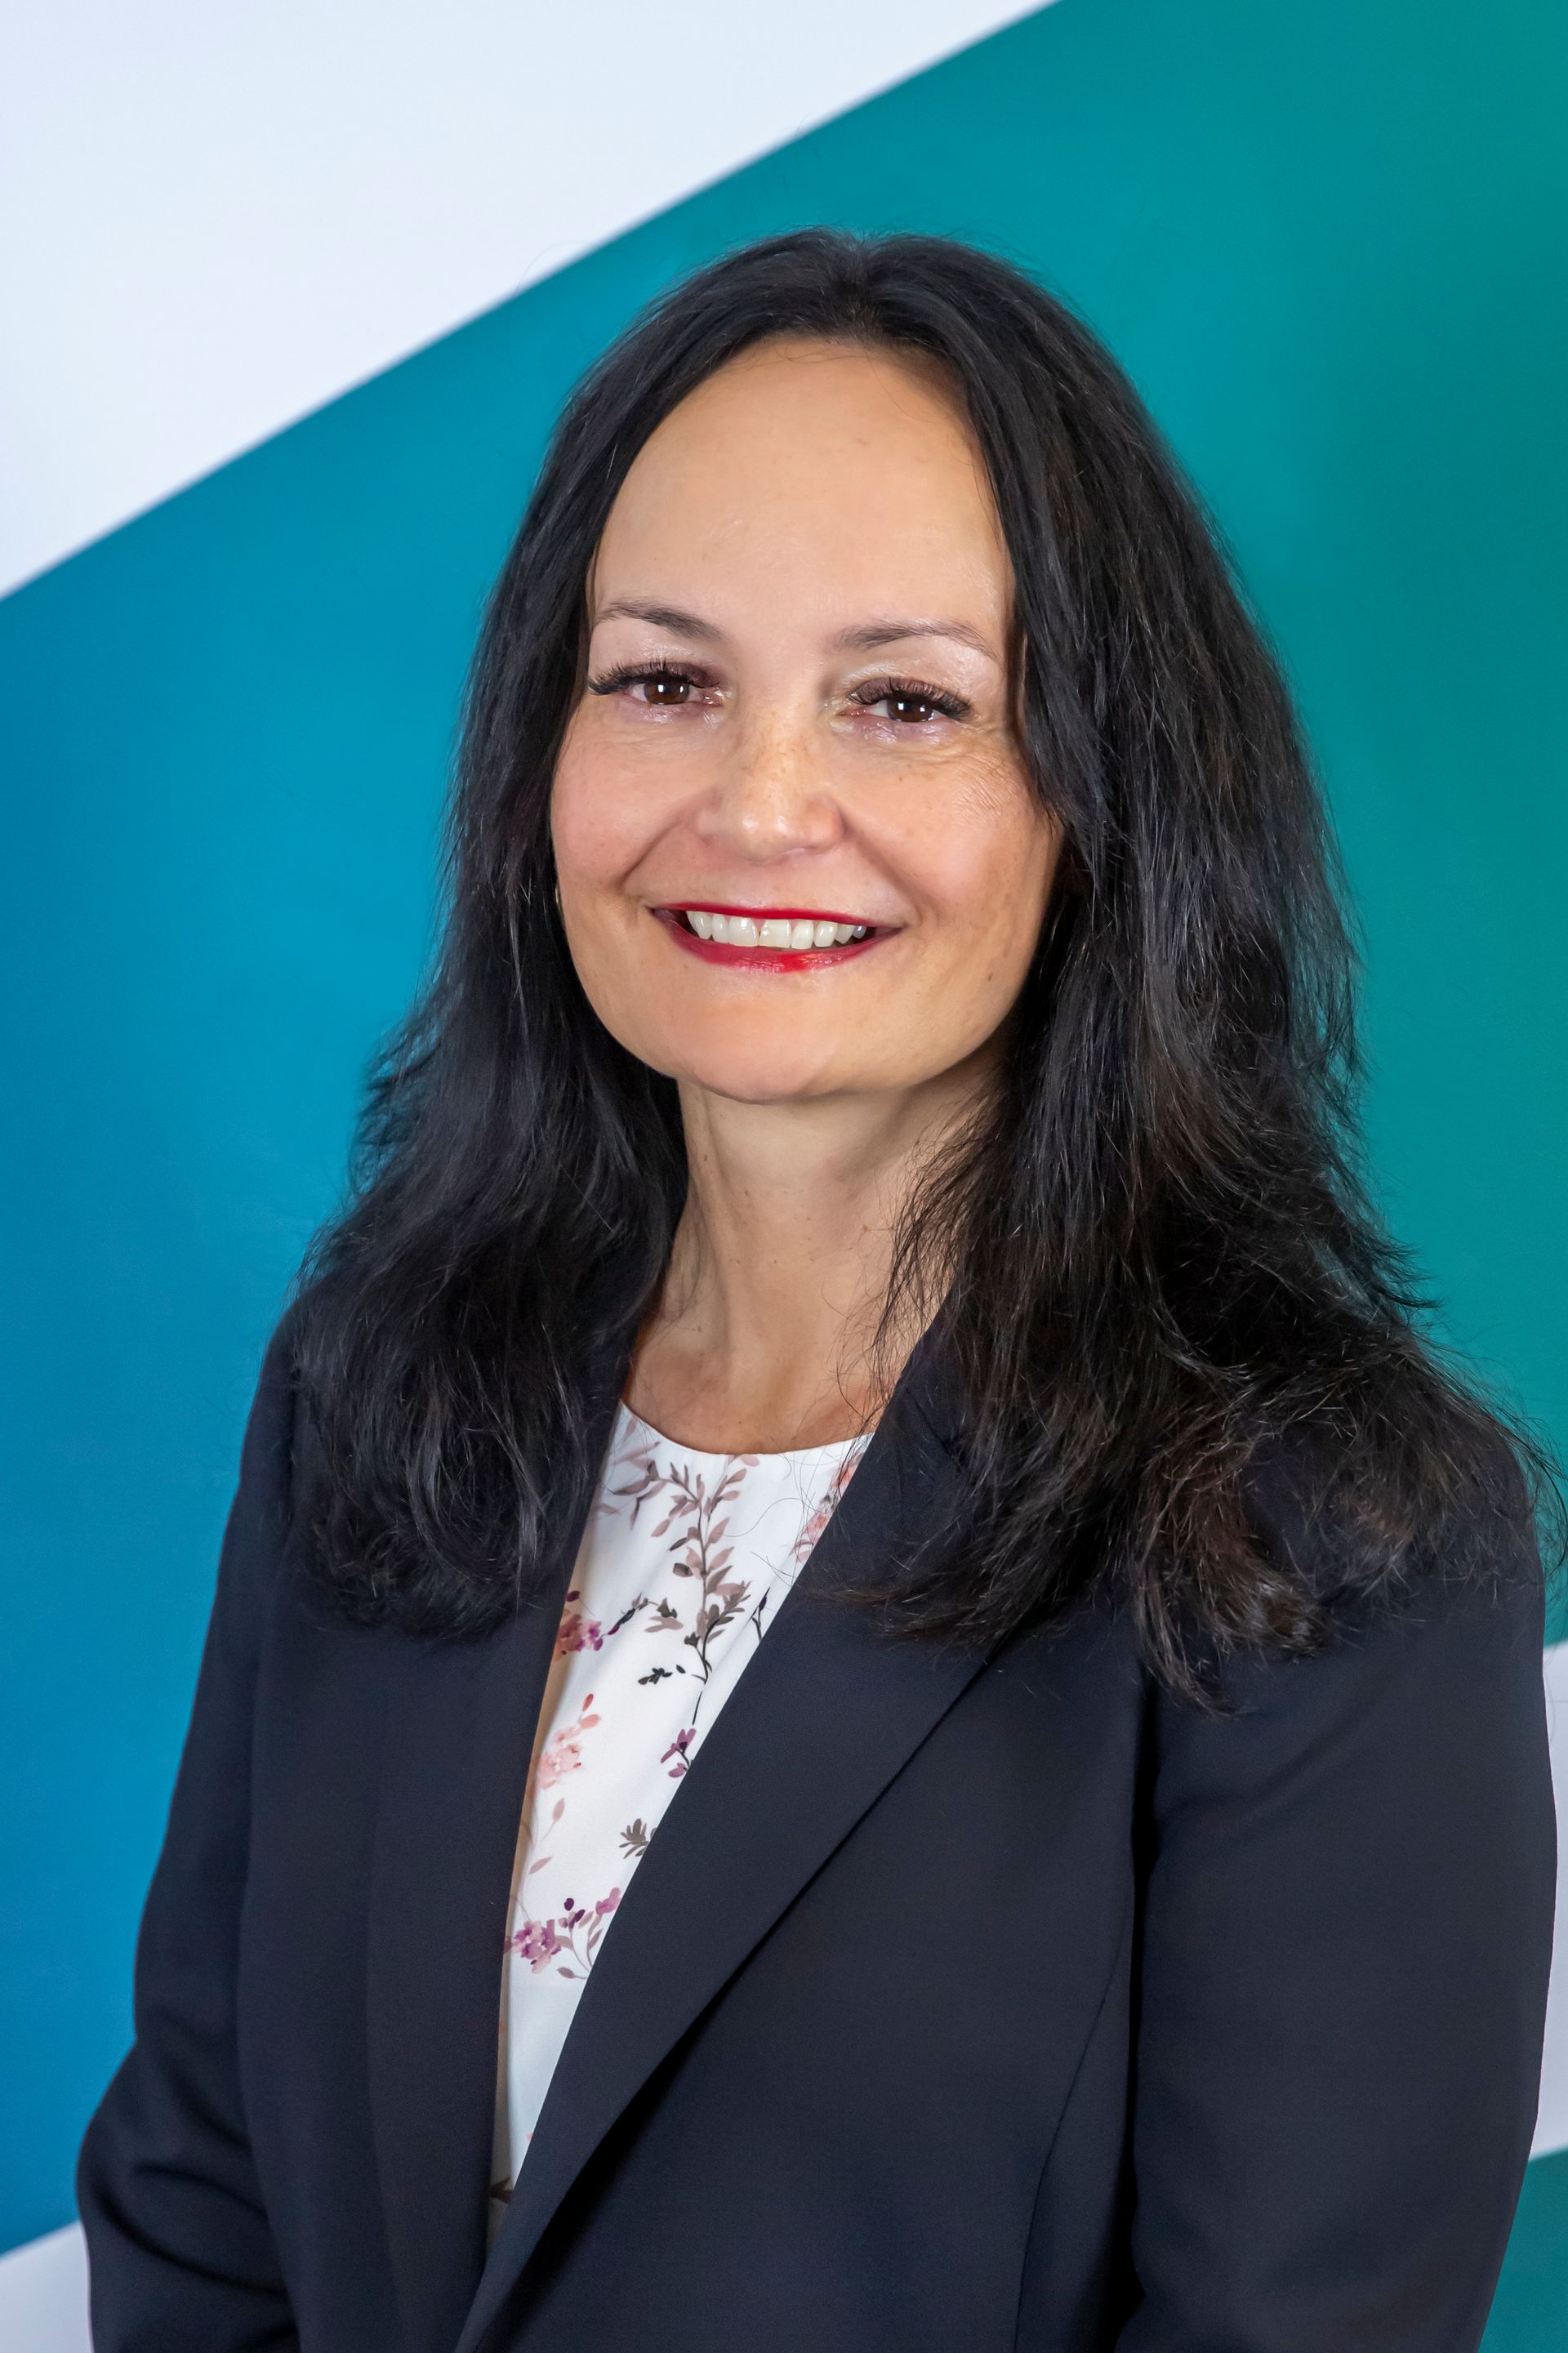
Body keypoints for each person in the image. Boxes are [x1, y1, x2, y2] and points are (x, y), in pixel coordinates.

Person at [78, 230, 1555, 2353]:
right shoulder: (379, 1389)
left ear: (1097, 796)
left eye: (906, 700)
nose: (761, 805)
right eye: (665, 678)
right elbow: (204, 2199)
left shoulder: (1332, 1541)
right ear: (539, 755)